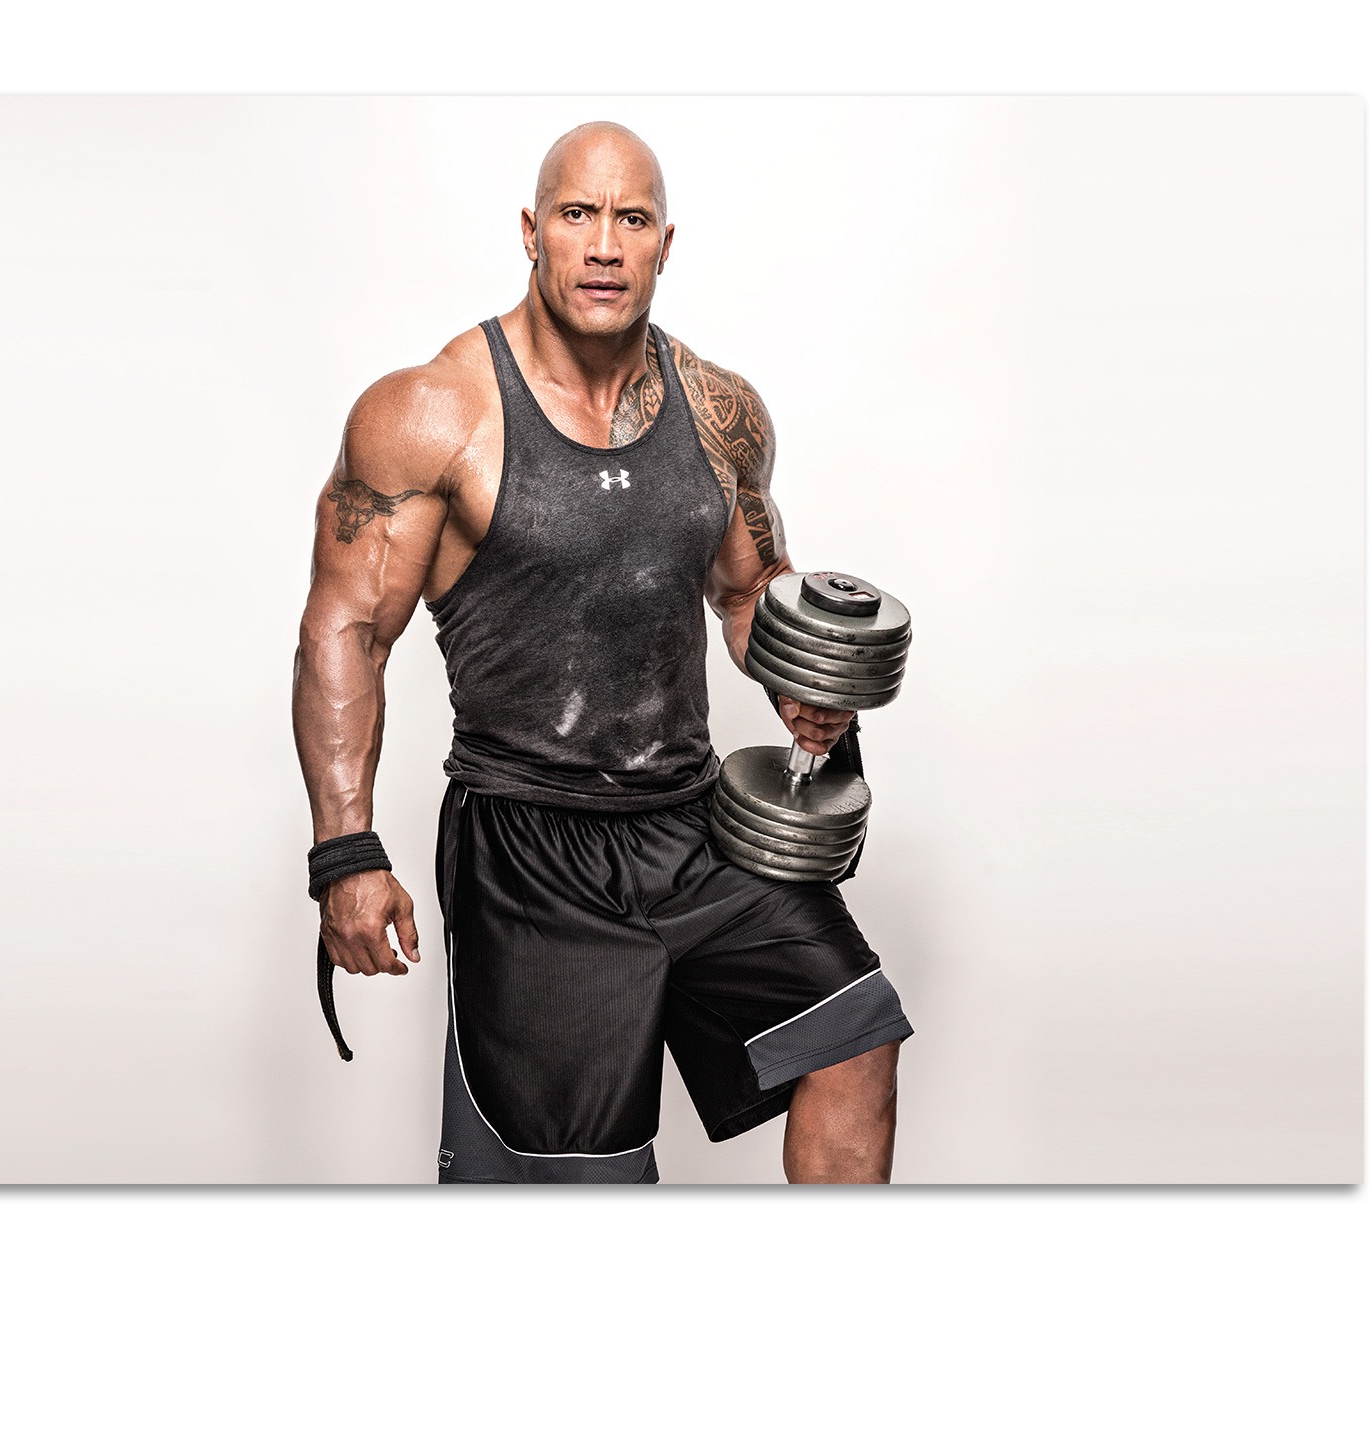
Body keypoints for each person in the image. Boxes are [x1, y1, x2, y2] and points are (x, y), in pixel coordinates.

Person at [292, 122, 912, 1184]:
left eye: (632, 219)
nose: (605, 245)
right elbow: (345, 629)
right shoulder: (433, 413)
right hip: (530, 845)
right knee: (582, 1176)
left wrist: (802, 682)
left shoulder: (721, 413)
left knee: (852, 1035)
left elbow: (748, 588)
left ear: (666, 242)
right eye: (578, 214)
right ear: (532, 231)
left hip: (694, 824)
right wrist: (345, 855)